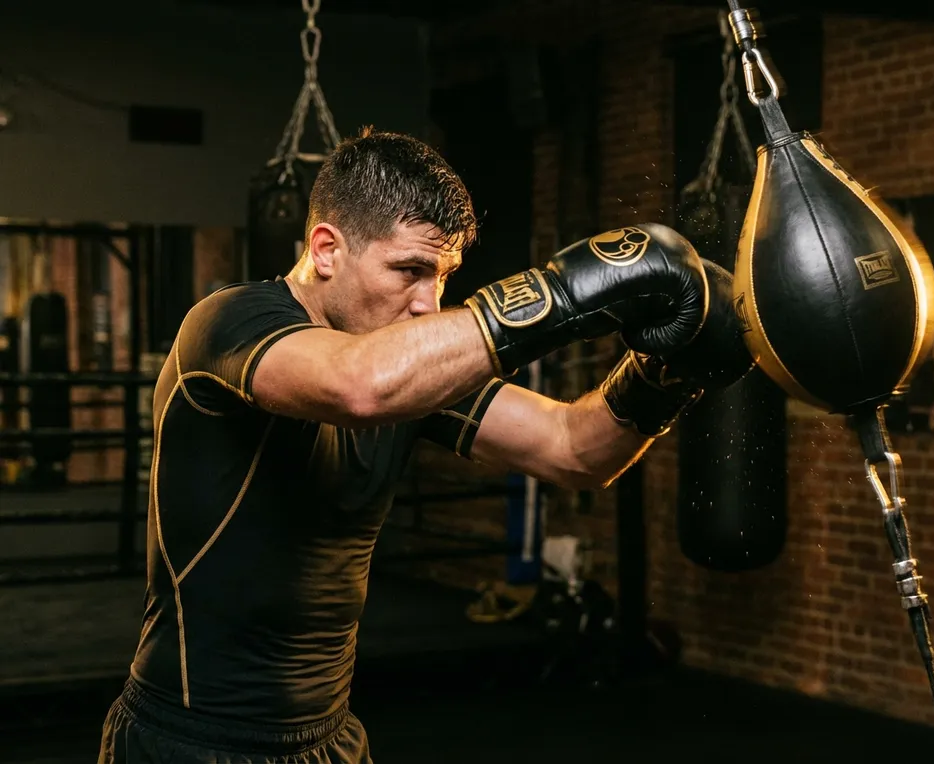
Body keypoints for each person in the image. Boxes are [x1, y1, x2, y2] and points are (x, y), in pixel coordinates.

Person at [97, 128, 753, 764]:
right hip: (192, 740)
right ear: (326, 249)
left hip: (327, 738)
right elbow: (358, 385)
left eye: (441, 277)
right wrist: (562, 292)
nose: (427, 303)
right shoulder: (229, 323)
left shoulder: (411, 369)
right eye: (408, 270)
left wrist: (664, 377)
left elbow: (571, 450)